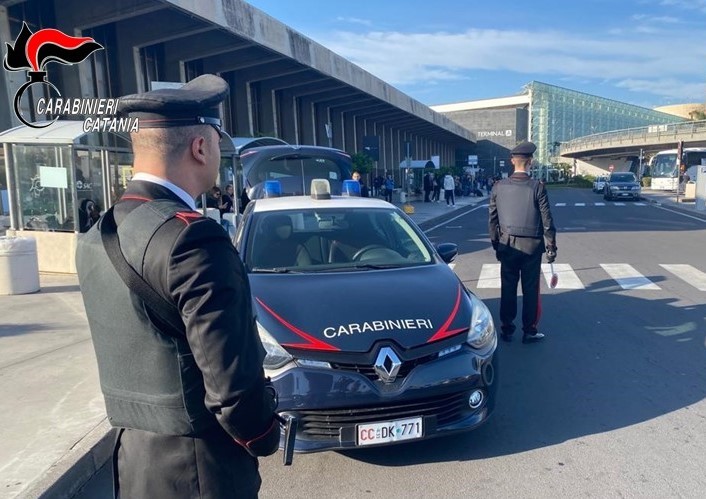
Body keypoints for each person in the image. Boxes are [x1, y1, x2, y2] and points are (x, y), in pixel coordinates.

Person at [75, 74, 279, 498]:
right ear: (200, 147)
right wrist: (264, 435)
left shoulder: (97, 234)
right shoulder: (192, 238)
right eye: (218, 142)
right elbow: (232, 391)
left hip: (133, 461)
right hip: (200, 470)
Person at [488, 141, 557, 344]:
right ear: (530, 162)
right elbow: (547, 220)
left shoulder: (498, 187)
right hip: (532, 246)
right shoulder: (537, 187)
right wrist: (551, 246)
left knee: (508, 288)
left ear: (512, 161)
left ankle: (507, 329)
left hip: (507, 244)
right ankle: (529, 330)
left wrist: (496, 244)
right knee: (530, 290)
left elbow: (492, 219)